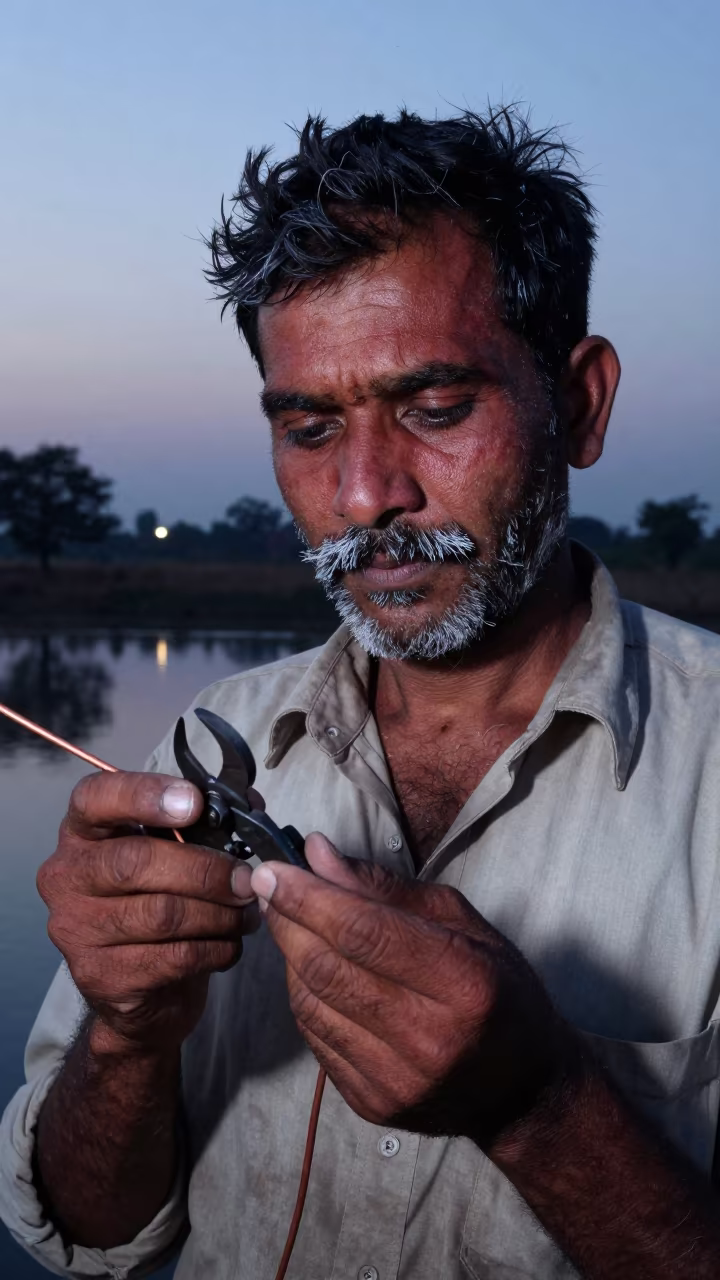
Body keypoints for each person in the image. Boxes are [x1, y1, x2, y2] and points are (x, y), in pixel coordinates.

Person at [2, 107, 720, 1280]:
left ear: (582, 405)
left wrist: (541, 1105)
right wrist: (128, 1037)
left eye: (435, 409)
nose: (364, 492)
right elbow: (86, 1234)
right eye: (309, 425)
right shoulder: (210, 738)